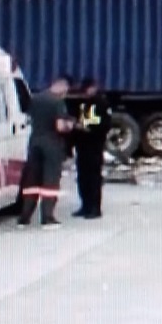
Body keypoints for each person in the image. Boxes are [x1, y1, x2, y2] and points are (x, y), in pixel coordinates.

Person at [17, 77, 75, 230]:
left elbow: (29, 118)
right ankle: (47, 218)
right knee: (50, 180)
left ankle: (24, 218)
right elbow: (60, 126)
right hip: (51, 144)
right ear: (63, 87)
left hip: (34, 142)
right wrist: (70, 125)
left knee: (32, 181)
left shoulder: (36, 98)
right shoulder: (57, 102)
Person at [72, 77, 112, 219]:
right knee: (83, 177)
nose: (86, 92)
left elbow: (106, 124)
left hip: (94, 145)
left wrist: (92, 130)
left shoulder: (102, 103)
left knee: (94, 177)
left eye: (88, 89)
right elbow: (78, 119)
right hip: (82, 144)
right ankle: (85, 205)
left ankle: (95, 208)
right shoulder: (82, 103)